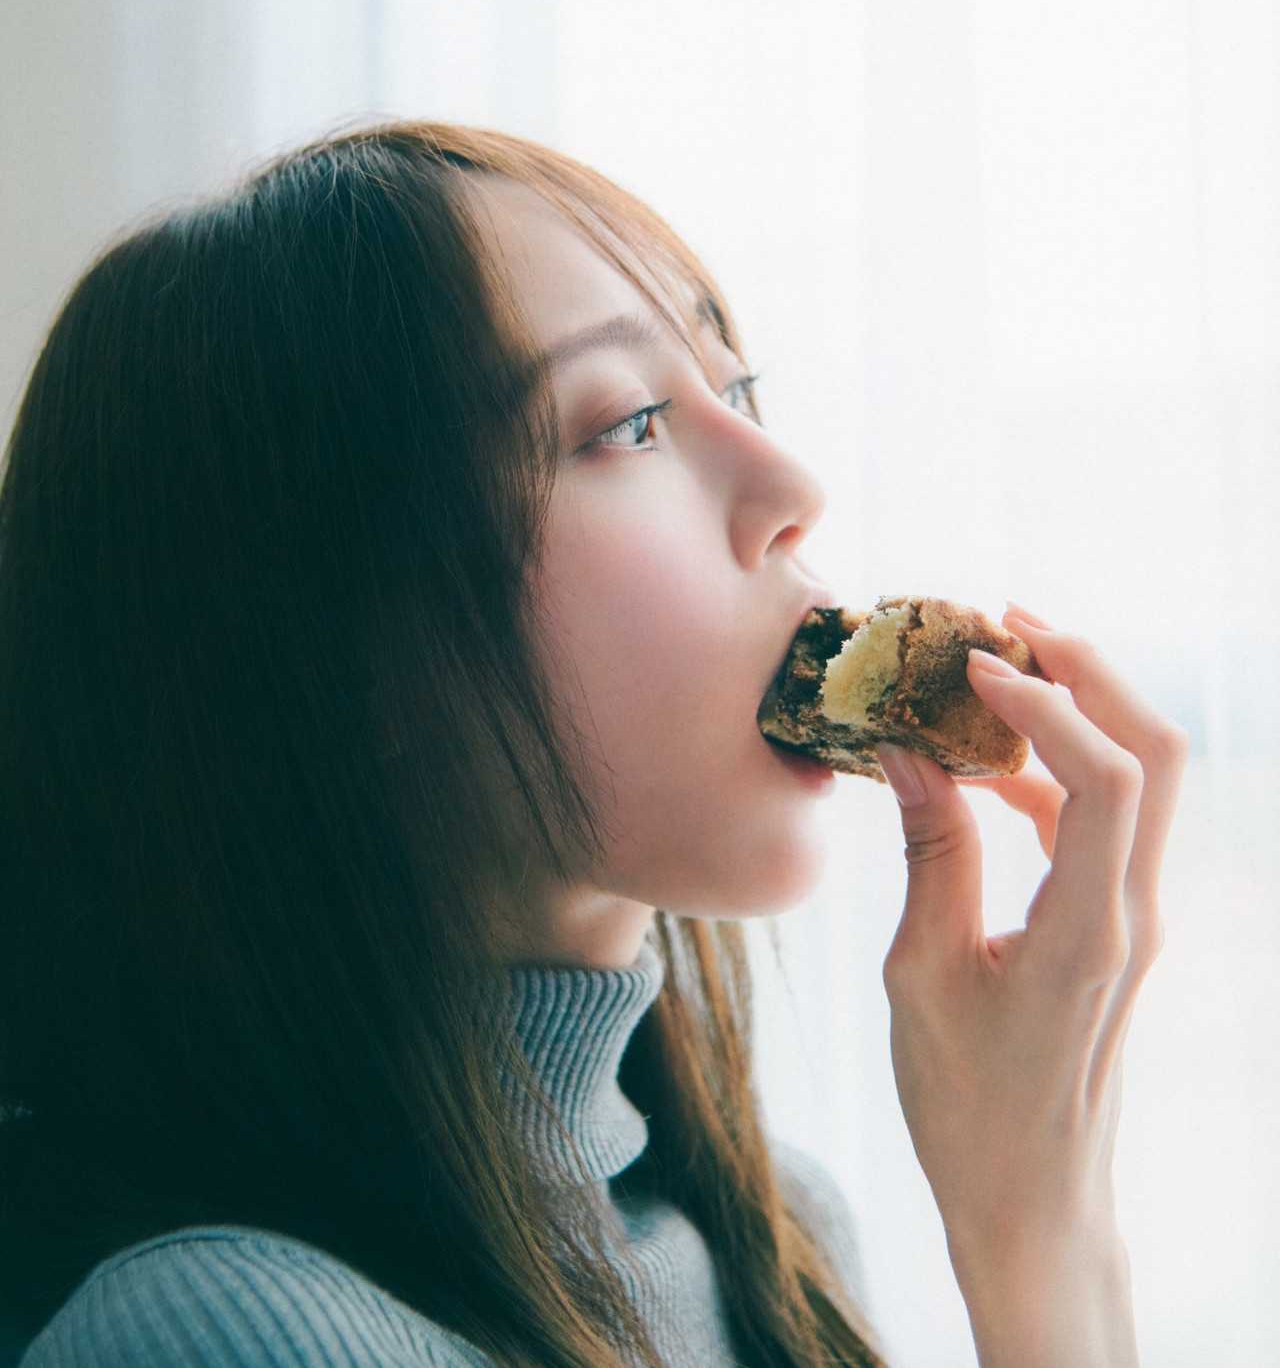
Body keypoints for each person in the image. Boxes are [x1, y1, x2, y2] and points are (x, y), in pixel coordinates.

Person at [0, 120, 1187, 1368]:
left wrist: (1044, 1228)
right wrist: (1028, 1245)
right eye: (627, 422)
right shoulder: (226, 1333)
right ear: (318, 644)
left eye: (735, 388)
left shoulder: (780, 1251)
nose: (791, 486)